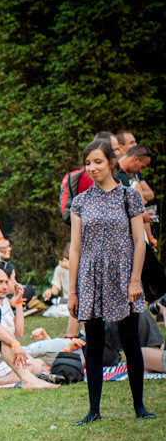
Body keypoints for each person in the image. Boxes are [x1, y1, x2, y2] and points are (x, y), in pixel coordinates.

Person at [68, 139, 154, 424]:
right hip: (90, 277)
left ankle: (139, 406)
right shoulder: (80, 202)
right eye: (88, 163)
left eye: (98, 162)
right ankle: (93, 410)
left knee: (129, 340)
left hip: (123, 275)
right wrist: (72, 291)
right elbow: (76, 248)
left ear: (111, 163)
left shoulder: (129, 196)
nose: (92, 168)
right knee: (93, 343)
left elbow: (139, 242)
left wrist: (135, 280)